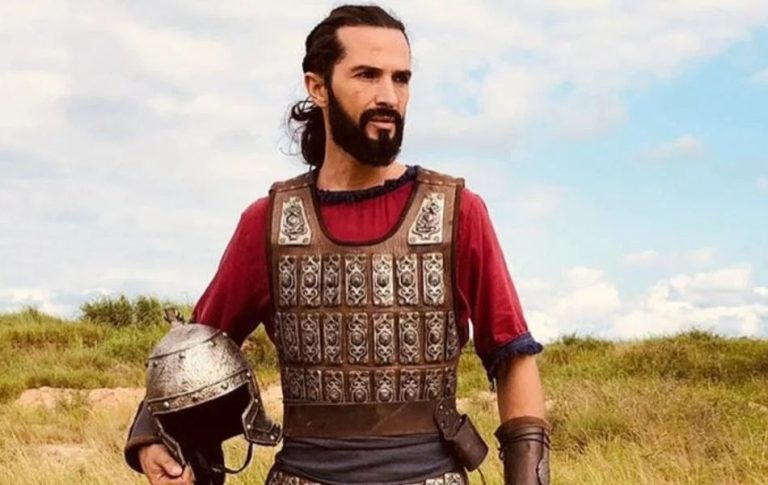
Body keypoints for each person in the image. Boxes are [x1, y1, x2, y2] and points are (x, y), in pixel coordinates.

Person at [125, 5, 550, 485]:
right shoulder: (267, 225)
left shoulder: (459, 213)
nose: (388, 95)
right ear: (318, 87)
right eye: (367, 75)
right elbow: (193, 355)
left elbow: (513, 358)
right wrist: (151, 438)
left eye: (401, 78)